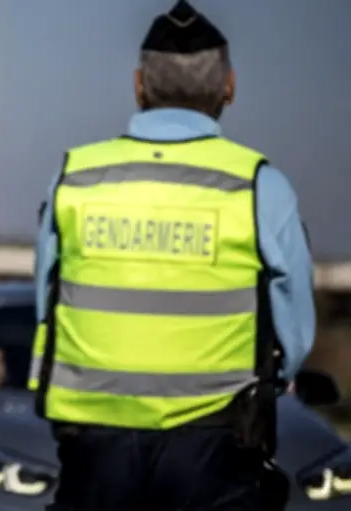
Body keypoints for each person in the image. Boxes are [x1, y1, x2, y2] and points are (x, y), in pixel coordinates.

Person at [29, 1, 315, 509]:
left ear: (139, 85)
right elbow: (292, 337)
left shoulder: (76, 176)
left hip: (95, 445)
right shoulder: (258, 186)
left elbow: (46, 305)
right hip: (216, 445)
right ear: (229, 86)